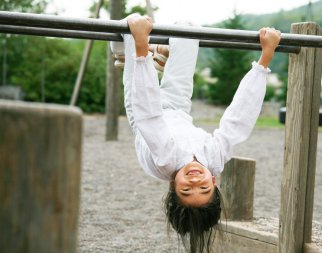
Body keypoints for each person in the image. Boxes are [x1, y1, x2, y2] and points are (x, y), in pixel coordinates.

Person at [111, 13, 281, 253]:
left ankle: (131, 53)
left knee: (129, 25)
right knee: (187, 30)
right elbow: (239, 119)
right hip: (178, 107)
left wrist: (140, 49)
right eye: (204, 188)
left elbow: (148, 113)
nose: (195, 182)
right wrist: (265, 58)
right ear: (213, 181)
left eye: (186, 190)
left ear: (172, 185)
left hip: (142, 108)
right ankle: (153, 52)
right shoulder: (214, 159)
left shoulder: (165, 158)